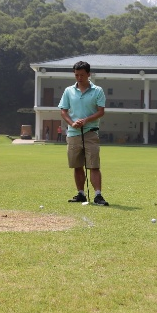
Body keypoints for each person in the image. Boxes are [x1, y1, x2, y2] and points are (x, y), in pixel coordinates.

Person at [58, 61, 108, 206]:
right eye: (76, 75)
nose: (79, 78)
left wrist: (86, 120)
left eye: (82, 75)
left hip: (91, 133)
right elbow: (63, 111)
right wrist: (71, 123)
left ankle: (98, 195)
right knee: (77, 165)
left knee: (94, 165)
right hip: (73, 133)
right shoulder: (68, 91)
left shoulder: (97, 90)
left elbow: (101, 111)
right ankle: (81, 194)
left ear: (88, 74)